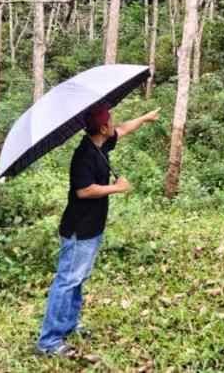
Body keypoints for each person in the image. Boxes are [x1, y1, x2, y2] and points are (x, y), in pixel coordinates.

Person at [36, 102, 160, 357]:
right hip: (79, 229)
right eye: (110, 120)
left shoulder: (101, 143)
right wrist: (117, 188)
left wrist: (145, 118)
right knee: (67, 281)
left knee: (78, 278)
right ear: (103, 128)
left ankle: (69, 325)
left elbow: (124, 129)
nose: (114, 123)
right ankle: (49, 341)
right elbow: (84, 191)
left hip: (91, 227)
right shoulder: (84, 155)